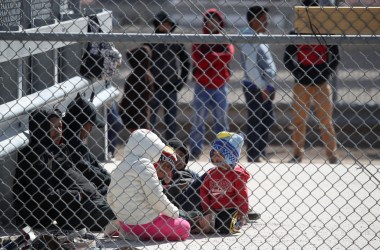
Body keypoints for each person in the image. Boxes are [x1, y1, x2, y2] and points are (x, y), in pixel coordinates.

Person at [14, 108, 115, 231]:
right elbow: (44, 194)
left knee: (122, 201)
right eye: (54, 127)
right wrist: (78, 195)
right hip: (75, 210)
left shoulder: (58, 149)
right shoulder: (35, 156)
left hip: (89, 202)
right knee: (120, 211)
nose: (59, 131)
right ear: (42, 128)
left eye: (60, 127)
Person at [106, 129, 190, 241]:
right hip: (145, 223)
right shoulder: (145, 165)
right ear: (151, 148)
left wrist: (122, 217)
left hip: (125, 222)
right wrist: (175, 213)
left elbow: (110, 197)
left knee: (164, 215)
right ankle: (139, 233)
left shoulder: (120, 166)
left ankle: (123, 229)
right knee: (184, 227)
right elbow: (155, 196)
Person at [283, 0, 340, 164]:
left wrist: (325, 73)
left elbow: (335, 57)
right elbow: (287, 58)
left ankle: (332, 155)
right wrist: (298, 73)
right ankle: (297, 154)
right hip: (302, 83)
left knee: (326, 121)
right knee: (299, 120)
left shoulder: (326, 33)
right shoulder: (297, 33)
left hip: (322, 83)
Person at [189, 8, 235, 160]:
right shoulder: (200, 39)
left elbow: (228, 56)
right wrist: (216, 59)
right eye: (209, 20)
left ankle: (223, 151)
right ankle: (195, 150)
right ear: (205, 22)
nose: (212, 23)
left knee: (221, 120)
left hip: (220, 85)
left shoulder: (223, 39)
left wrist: (209, 58)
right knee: (198, 120)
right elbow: (198, 60)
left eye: (216, 20)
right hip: (201, 85)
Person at [240, 6, 277, 163]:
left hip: (264, 86)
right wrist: (262, 86)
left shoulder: (259, 35)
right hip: (255, 86)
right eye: (263, 19)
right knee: (256, 120)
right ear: (254, 21)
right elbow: (251, 66)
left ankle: (261, 151)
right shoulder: (250, 37)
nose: (267, 22)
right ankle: (254, 155)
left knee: (266, 119)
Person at [147, 11, 190, 141]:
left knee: (171, 121)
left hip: (171, 86)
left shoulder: (175, 41)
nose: (166, 27)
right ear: (157, 24)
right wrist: (147, 81)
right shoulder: (151, 41)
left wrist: (180, 82)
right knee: (150, 119)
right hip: (154, 87)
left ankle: (170, 147)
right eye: (163, 24)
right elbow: (142, 61)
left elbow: (186, 62)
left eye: (168, 24)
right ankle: (150, 145)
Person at [200, 131, 251, 234]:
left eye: (220, 155)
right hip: (214, 210)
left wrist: (242, 211)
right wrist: (207, 208)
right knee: (205, 221)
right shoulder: (211, 174)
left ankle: (241, 218)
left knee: (225, 227)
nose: (215, 157)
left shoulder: (236, 175)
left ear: (230, 156)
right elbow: (204, 191)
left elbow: (243, 194)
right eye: (213, 154)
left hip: (231, 209)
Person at [64, 94, 111, 197]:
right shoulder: (66, 142)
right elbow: (86, 169)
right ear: (81, 123)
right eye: (90, 126)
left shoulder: (77, 141)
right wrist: (111, 182)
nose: (90, 131)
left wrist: (111, 179)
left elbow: (95, 164)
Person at [119, 45, 154, 132]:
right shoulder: (148, 75)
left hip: (134, 115)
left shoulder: (136, 77)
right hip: (143, 115)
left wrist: (121, 111)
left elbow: (128, 97)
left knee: (137, 139)